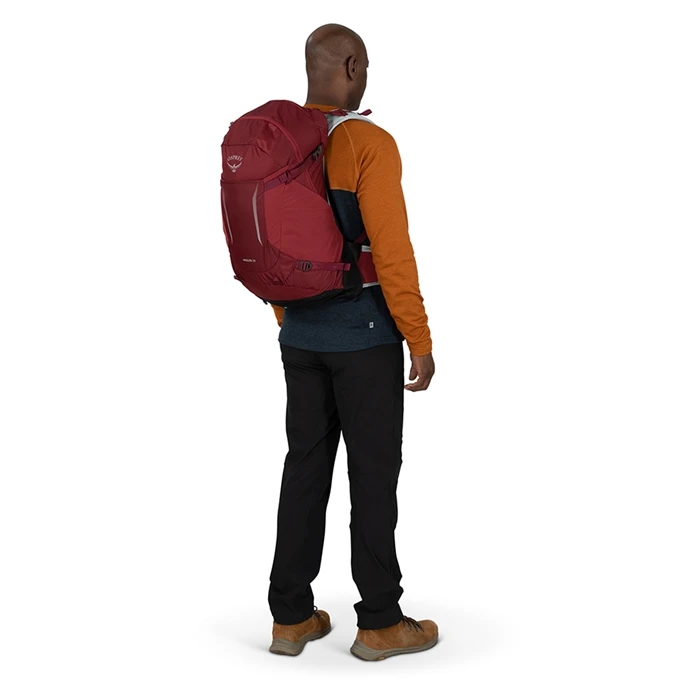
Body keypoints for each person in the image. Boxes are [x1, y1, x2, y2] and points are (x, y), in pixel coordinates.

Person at [267, 23, 438, 662]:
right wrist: (417, 335)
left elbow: (268, 247)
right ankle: (381, 623)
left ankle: (290, 618)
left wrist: (289, 316)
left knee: (304, 468)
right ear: (352, 66)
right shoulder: (367, 142)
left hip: (299, 336)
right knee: (372, 474)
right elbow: (391, 252)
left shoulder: (279, 146)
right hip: (365, 338)